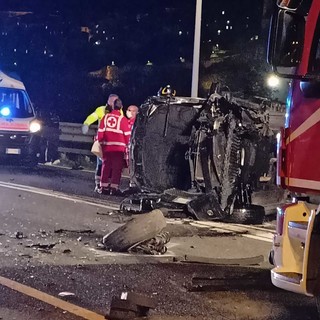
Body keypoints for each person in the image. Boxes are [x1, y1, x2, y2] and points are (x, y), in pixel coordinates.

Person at [82, 94, 119, 192]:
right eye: (113, 101)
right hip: (102, 141)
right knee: (101, 163)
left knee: (111, 165)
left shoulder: (119, 111)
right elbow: (92, 117)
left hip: (114, 142)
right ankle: (98, 184)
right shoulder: (101, 110)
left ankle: (109, 185)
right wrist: (86, 124)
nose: (115, 103)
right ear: (109, 101)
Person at [97, 98, 131, 196]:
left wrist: (100, 142)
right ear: (121, 107)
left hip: (107, 147)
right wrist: (127, 146)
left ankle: (103, 187)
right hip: (119, 149)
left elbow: (100, 132)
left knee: (106, 166)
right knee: (117, 168)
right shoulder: (123, 119)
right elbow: (127, 135)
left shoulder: (106, 117)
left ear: (113, 106)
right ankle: (114, 188)